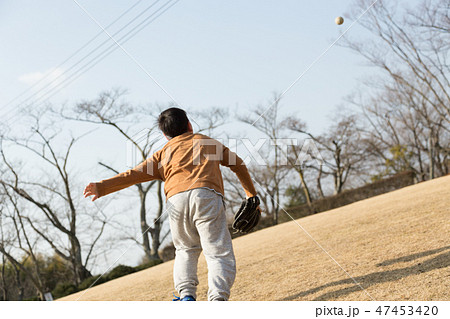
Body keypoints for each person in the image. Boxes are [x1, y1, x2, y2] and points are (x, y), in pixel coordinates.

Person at [83, 107, 258, 301]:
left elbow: (133, 174)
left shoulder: (163, 153)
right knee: (217, 252)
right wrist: (251, 195)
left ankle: (187, 297)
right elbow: (238, 164)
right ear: (189, 125)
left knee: (185, 250)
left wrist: (102, 187)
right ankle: (217, 299)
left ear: (166, 135)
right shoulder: (206, 142)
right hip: (205, 195)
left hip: (175, 200)